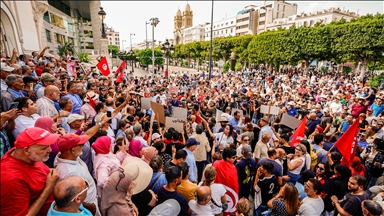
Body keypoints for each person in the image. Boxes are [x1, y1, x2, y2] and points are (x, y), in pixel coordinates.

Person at [1, 127, 60, 216]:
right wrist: (49, 188)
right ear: (26, 150)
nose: (50, 150)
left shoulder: (22, 155)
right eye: (44, 148)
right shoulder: (12, 180)